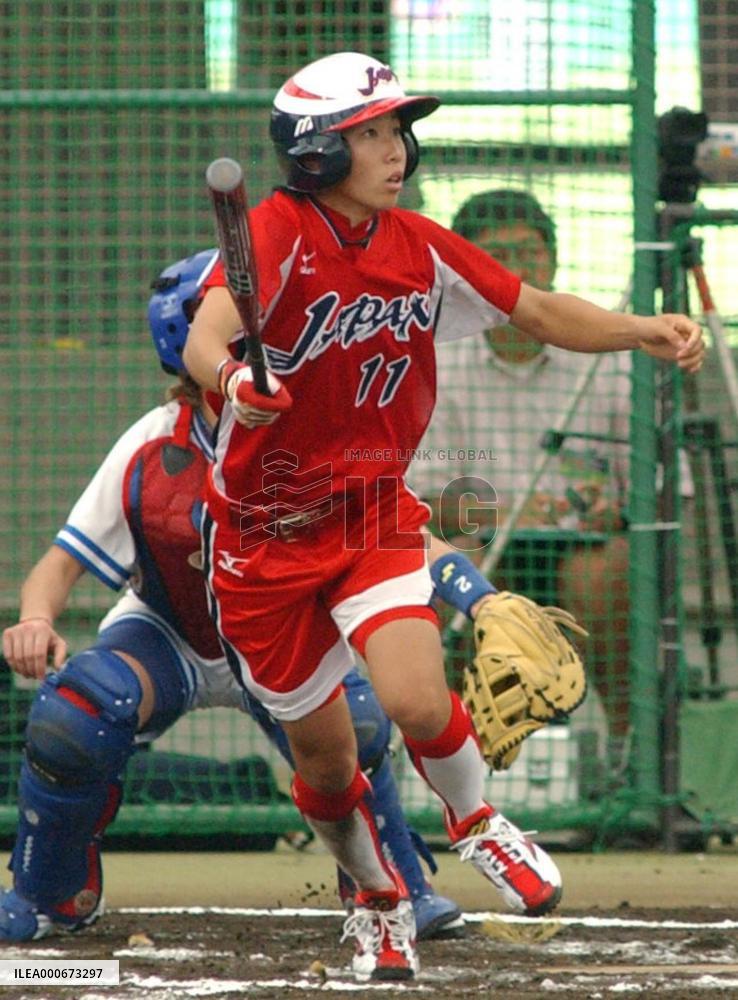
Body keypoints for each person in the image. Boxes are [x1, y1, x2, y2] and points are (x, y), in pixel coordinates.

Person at [181, 51, 704, 981]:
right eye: (372, 133)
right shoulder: (277, 229)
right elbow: (206, 334)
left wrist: (643, 331)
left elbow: (537, 310)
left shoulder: (417, 244)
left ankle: (478, 823)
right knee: (331, 771)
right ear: (316, 152)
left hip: (374, 514)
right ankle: (376, 898)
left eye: (397, 131)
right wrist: (234, 383)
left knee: (420, 700)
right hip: (263, 540)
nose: (397, 149)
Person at [0, 249, 490, 945]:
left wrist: (481, 597)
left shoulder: (318, 432)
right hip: (172, 633)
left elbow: (401, 535)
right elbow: (56, 566)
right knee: (76, 714)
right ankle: (50, 896)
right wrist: (35, 618)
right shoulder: (152, 444)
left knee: (362, 719)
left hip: (282, 635)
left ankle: (393, 884)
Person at [410, 189, 632, 759]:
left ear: (553, 261)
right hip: (484, 540)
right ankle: (449, 748)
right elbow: (420, 496)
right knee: (452, 563)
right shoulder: (435, 358)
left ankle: (628, 746)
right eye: (496, 256)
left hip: (585, 546)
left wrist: (617, 509)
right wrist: (505, 515)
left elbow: (659, 486)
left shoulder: (606, 355)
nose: (516, 269)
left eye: (527, 254)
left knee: (605, 573)